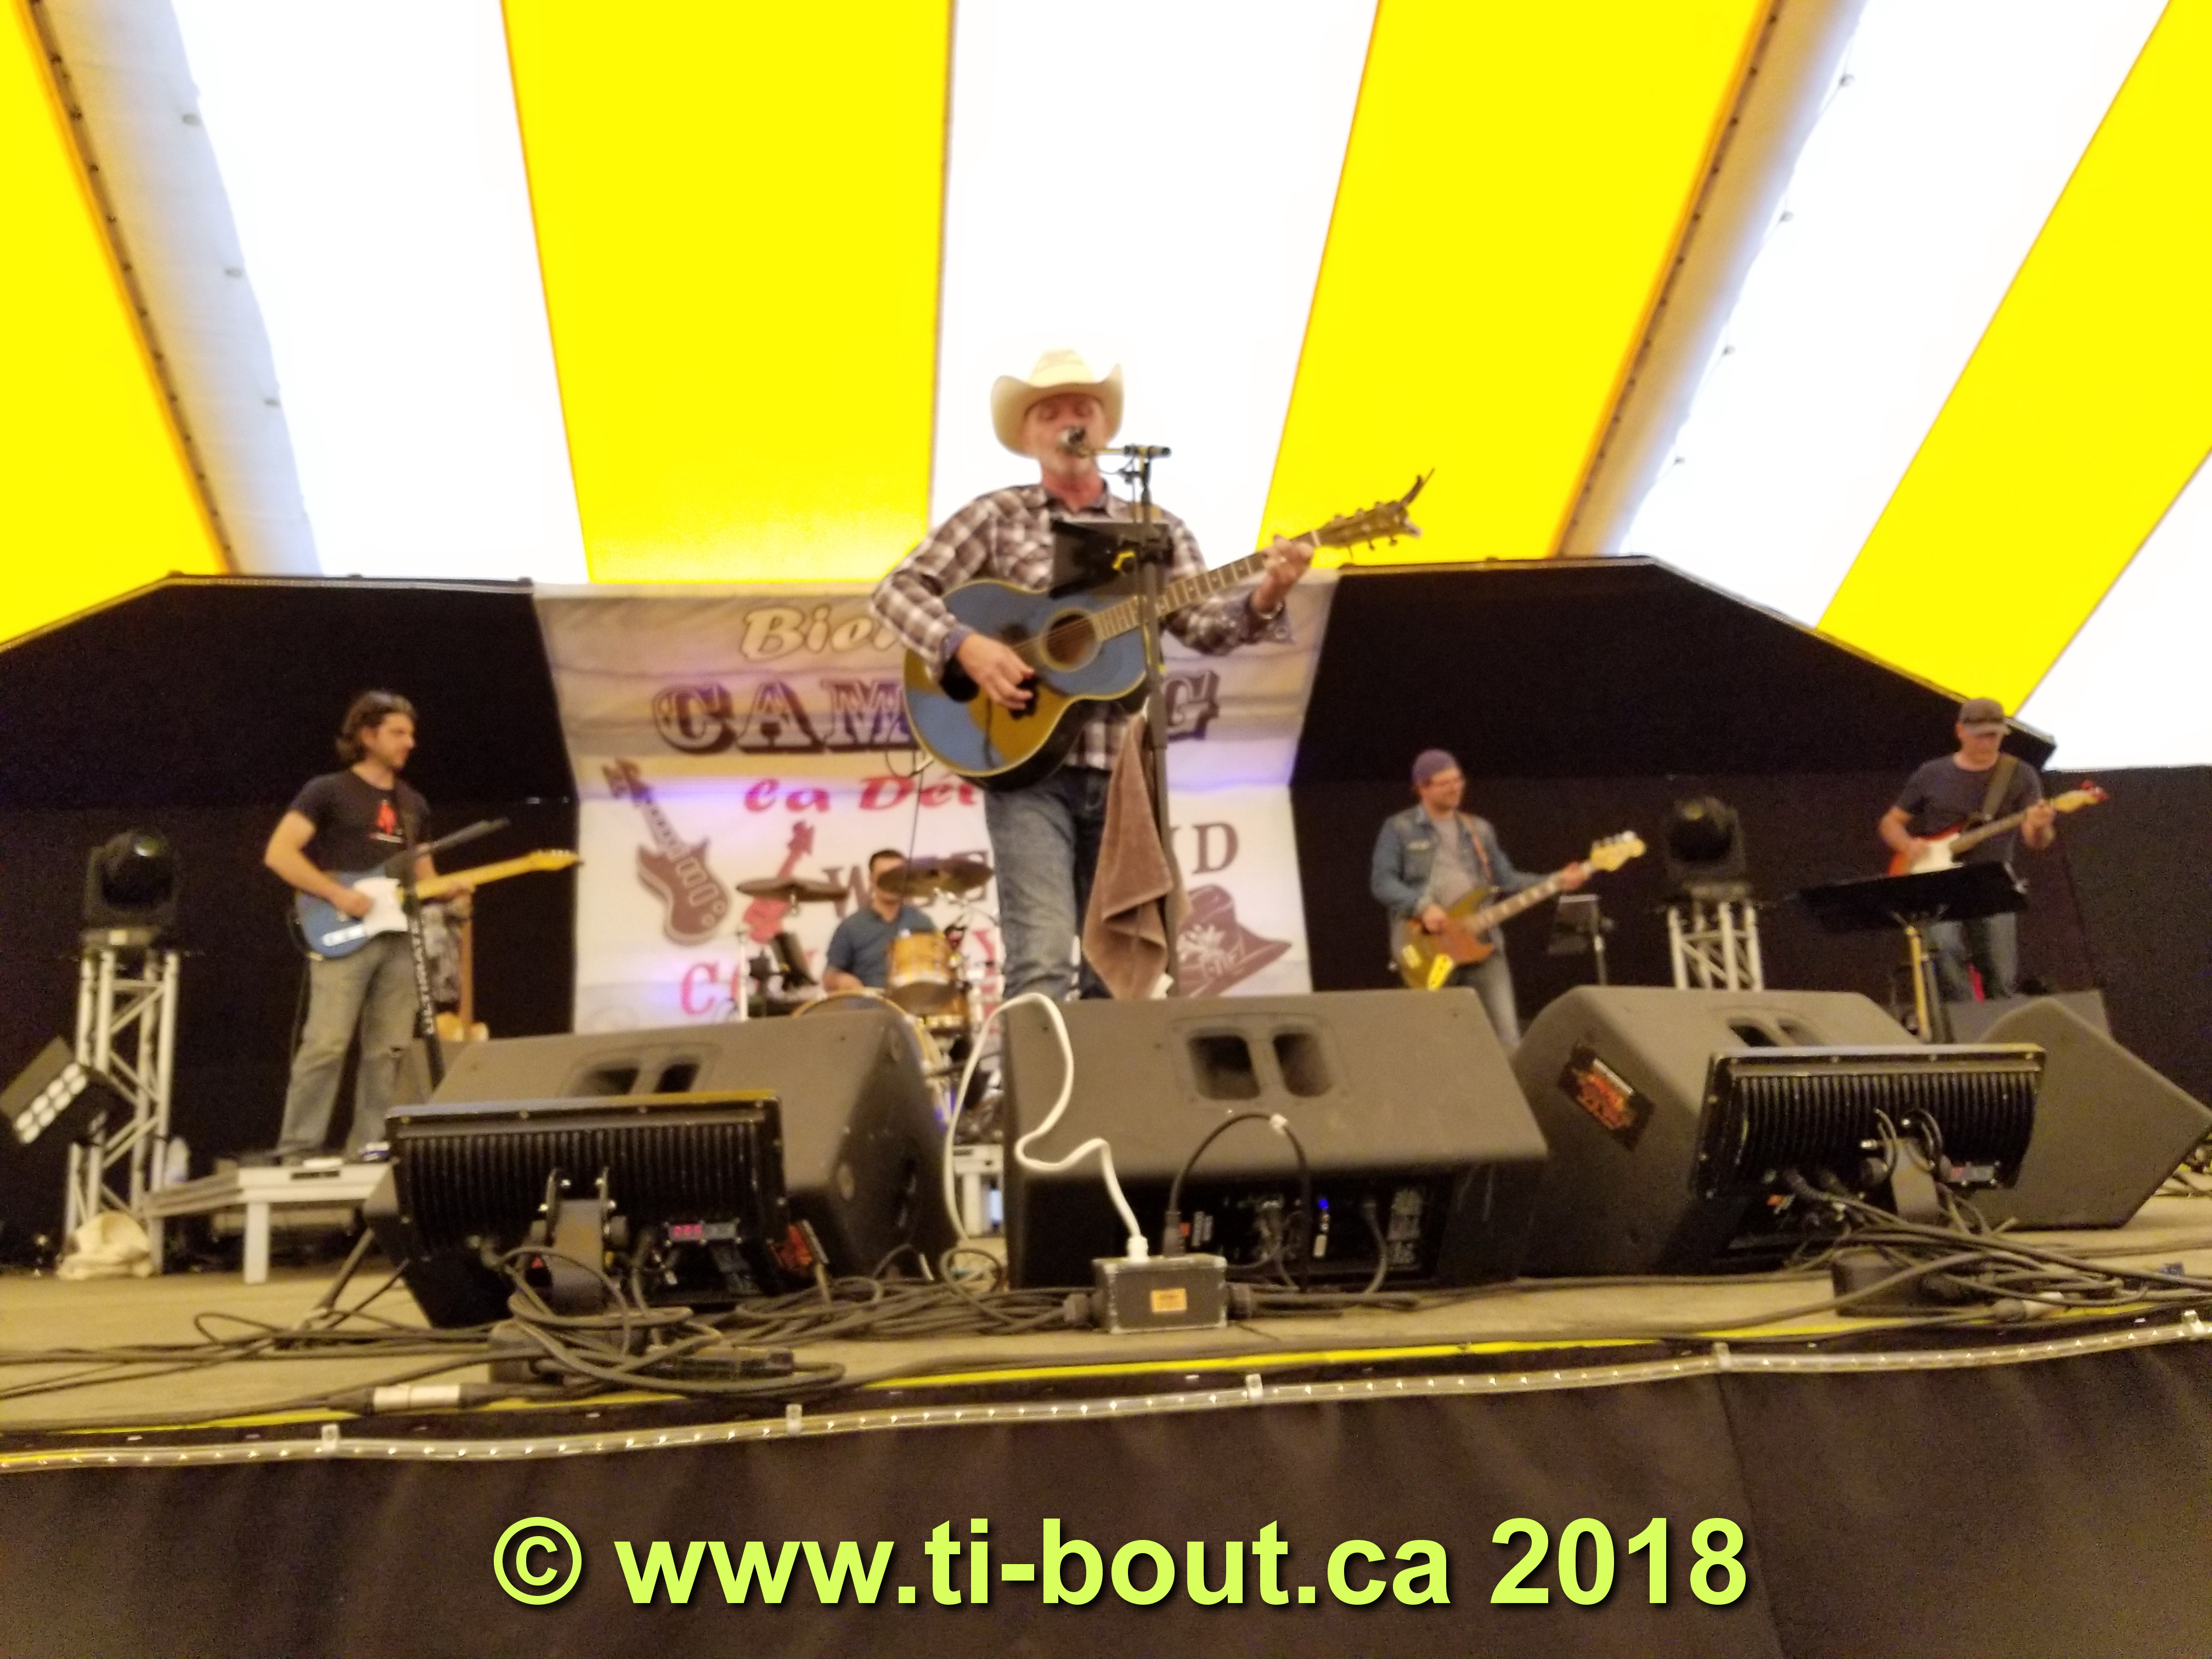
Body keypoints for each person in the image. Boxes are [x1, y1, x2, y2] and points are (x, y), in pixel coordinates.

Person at [872, 348, 1314, 1000]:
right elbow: (895, 590)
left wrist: (1270, 592)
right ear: (1028, 436)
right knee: (1042, 958)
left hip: (1122, 772)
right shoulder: (997, 515)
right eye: (1049, 413)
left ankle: (1106, 1074)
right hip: (1025, 768)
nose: (1068, 422)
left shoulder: (1156, 528)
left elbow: (1206, 629)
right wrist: (967, 646)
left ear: (1106, 429)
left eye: (1082, 409)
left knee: (1116, 971)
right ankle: (1036, 1072)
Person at [263, 691, 464, 1160]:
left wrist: (453, 893)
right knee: (327, 1043)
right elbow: (279, 853)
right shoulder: (327, 791)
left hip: (401, 936)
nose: (410, 742)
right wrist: (335, 893)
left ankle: (371, 1147)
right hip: (346, 931)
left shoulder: (413, 803)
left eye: (411, 734)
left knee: (389, 1049)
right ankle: (298, 1148)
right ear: (368, 735)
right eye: (398, 733)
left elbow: (426, 877)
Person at [1370, 749, 1585, 1048]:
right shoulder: (1399, 829)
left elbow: (1506, 880)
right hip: (1428, 946)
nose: (1455, 788)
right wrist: (1423, 907)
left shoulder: (1479, 829)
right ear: (1422, 787)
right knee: (1436, 1044)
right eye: (1445, 783)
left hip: (1482, 944)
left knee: (1507, 1039)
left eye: (1458, 780)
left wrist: (1556, 881)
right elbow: (1382, 883)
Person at [1879, 696, 2056, 1002]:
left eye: (1995, 735)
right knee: (1944, 952)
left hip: (1992, 882)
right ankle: (1965, 1019)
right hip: (1939, 882)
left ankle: (1999, 1024)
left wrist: (2041, 825)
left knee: (2000, 973)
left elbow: (2035, 840)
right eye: (1980, 735)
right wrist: (1907, 845)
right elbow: (1891, 822)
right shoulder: (1931, 773)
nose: (1988, 742)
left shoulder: (2020, 774)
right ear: (1961, 731)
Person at [823, 850, 940, 993]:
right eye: (884, 877)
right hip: (869, 1004)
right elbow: (829, 977)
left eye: (896, 877)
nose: (890, 883)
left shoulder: (922, 923)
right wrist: (840, 980)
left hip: (916, 1000)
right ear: (871, 880)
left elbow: (940, 967)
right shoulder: (851, 927)